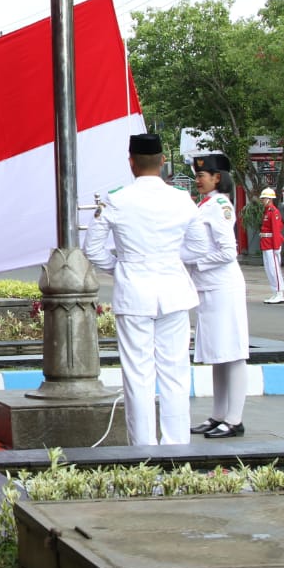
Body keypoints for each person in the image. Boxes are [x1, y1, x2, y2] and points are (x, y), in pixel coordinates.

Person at [83, 133, 210, 447]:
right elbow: (199, 247)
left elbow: (93, 249)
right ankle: (177, 448)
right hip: (174, 292)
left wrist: (123, 266)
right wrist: (166, 260)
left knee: (138, 376)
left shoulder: (116, 199)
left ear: (131, 162)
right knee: (175, 374)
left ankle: (142, 451)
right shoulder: (182, 198)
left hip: (134, 293)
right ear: (163, 161)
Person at [184, 154, 249, 439]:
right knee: (217, 354)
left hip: (223, 286)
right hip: (209, 287)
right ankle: (218, 415)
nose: (198, 179)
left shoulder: (220, 205)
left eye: (203, 175)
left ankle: (234, 419)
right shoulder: (205, 204)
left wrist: (195, 263)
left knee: (232, 354)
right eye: (197, 175)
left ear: (217, 178)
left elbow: (227, 251)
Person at [258, 187, 284, 304]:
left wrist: (276, 246)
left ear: (269, 199)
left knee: (274, 270)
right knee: (269, 269)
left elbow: (276, 229)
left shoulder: (274, 212)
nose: (262, 201)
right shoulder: (267, 211)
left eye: (263, 198)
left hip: (271, 244)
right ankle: (275, 292)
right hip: (266, 243)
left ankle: (280, 293)